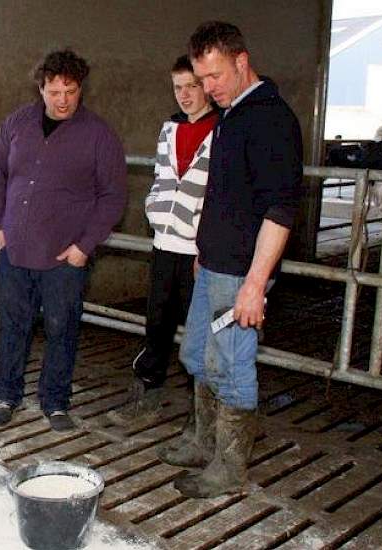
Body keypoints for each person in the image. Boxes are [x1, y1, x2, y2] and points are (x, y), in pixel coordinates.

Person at [161, 21, 303, 498]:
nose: (208, 88)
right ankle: (203, 441)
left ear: (242, 62)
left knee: (232, 366)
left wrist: (255, 284)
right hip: (214, 266)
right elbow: (225, 196)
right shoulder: (231, 113)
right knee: (196, 354)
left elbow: (280, 209)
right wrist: (205, 250)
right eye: (202, 79)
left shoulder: (271, 120)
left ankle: (230, 466)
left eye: (216, 76)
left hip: (242, 274)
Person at [0, 49, 128, 432]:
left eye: (71, 91)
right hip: (14, 250)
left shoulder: (99, 135)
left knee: (62, 327)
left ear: (81, 90)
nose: (62, 99)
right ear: (41, 88)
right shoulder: (16, 124)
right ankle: (6, 395)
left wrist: (85, 246)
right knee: (13, 324)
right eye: (54, 91)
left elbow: (113, 196)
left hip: (65, 256)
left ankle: (56, 402)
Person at [107, 55, 217, 426]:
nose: (185, 95)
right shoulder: (169, 128)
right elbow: (159, 178)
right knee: (156, 323)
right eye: (178, 88)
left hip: (200, 253)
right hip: (165, 244)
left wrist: (207, 243)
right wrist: (156, 211)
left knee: (200, 333)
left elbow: (222, 194)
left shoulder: (223, 129)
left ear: (207, 86)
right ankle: (146, 394)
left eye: (192, 86)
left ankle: (200, 415)